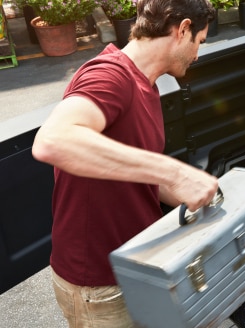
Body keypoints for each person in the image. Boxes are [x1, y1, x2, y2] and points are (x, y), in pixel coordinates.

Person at [31, 0, 217, 326]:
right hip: (99, 284)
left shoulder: (148, 85)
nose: (198, 55)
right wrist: (174, 170)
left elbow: (132, 169)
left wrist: (196, 195)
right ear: (183, 29)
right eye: (199, 42)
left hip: (134, 266)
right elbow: (53, 140)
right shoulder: (110, 76)